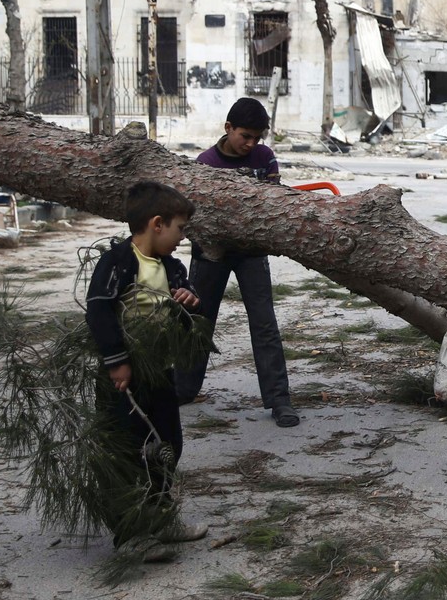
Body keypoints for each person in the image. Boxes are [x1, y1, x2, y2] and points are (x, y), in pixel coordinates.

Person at [85, 181, 208, 560]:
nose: (182, 237)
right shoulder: (118, 262)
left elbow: (188, 310)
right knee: (128, 453)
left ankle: (161, 520)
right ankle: (131, 535)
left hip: (159, 373)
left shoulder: (172, 268)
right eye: (180, 229)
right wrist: (116, 361)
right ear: (157, 223)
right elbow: (98, 310)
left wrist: (189, 301)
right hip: (125, 378)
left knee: (168, 446)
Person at [176, 97, 298, 428]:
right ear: (228, 128)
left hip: (252, 253)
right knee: (197, 320)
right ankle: (182, 389)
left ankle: (278, 400)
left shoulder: (264, 159)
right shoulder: (204, 162)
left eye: (257, 137)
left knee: (264, 323)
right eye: (245, 135)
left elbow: (273, 205)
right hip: (209, 253)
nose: (251, 144)